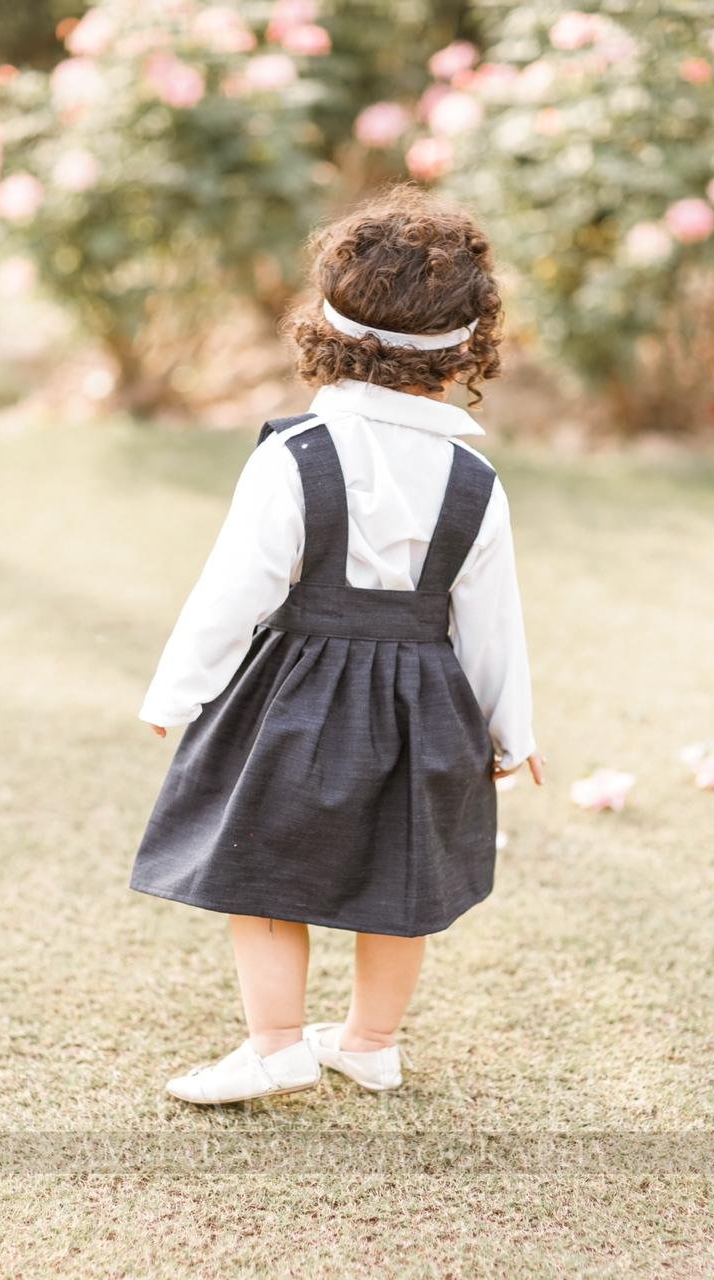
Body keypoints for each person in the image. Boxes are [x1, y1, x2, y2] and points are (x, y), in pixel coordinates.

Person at [129, 183, 543, 1106]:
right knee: (407, 876)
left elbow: (232, 592)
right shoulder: (474, 481)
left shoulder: (295, 457)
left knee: (264, 866)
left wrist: (175, 695)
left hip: (294, 694)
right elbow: (491, 619)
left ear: (327, 329)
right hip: (426, 702)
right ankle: (370, 1042)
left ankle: (278, 1043)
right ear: (464, 349)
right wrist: (509, 733)